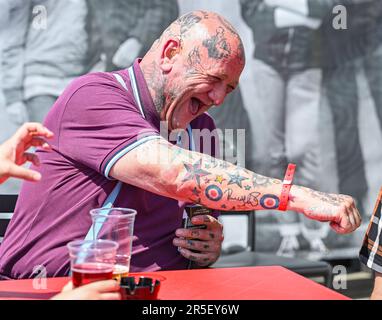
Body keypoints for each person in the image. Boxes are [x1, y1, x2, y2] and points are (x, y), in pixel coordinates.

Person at [0, 11, 361, 280]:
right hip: (57, 286)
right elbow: (175, 173)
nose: (219, 98)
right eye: (215, 79)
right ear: (171, 53)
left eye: (229, 89)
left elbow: (199, 209)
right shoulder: (93, 95)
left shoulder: (200, 126)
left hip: (166, 290)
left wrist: (206, 241)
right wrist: (296, 196)